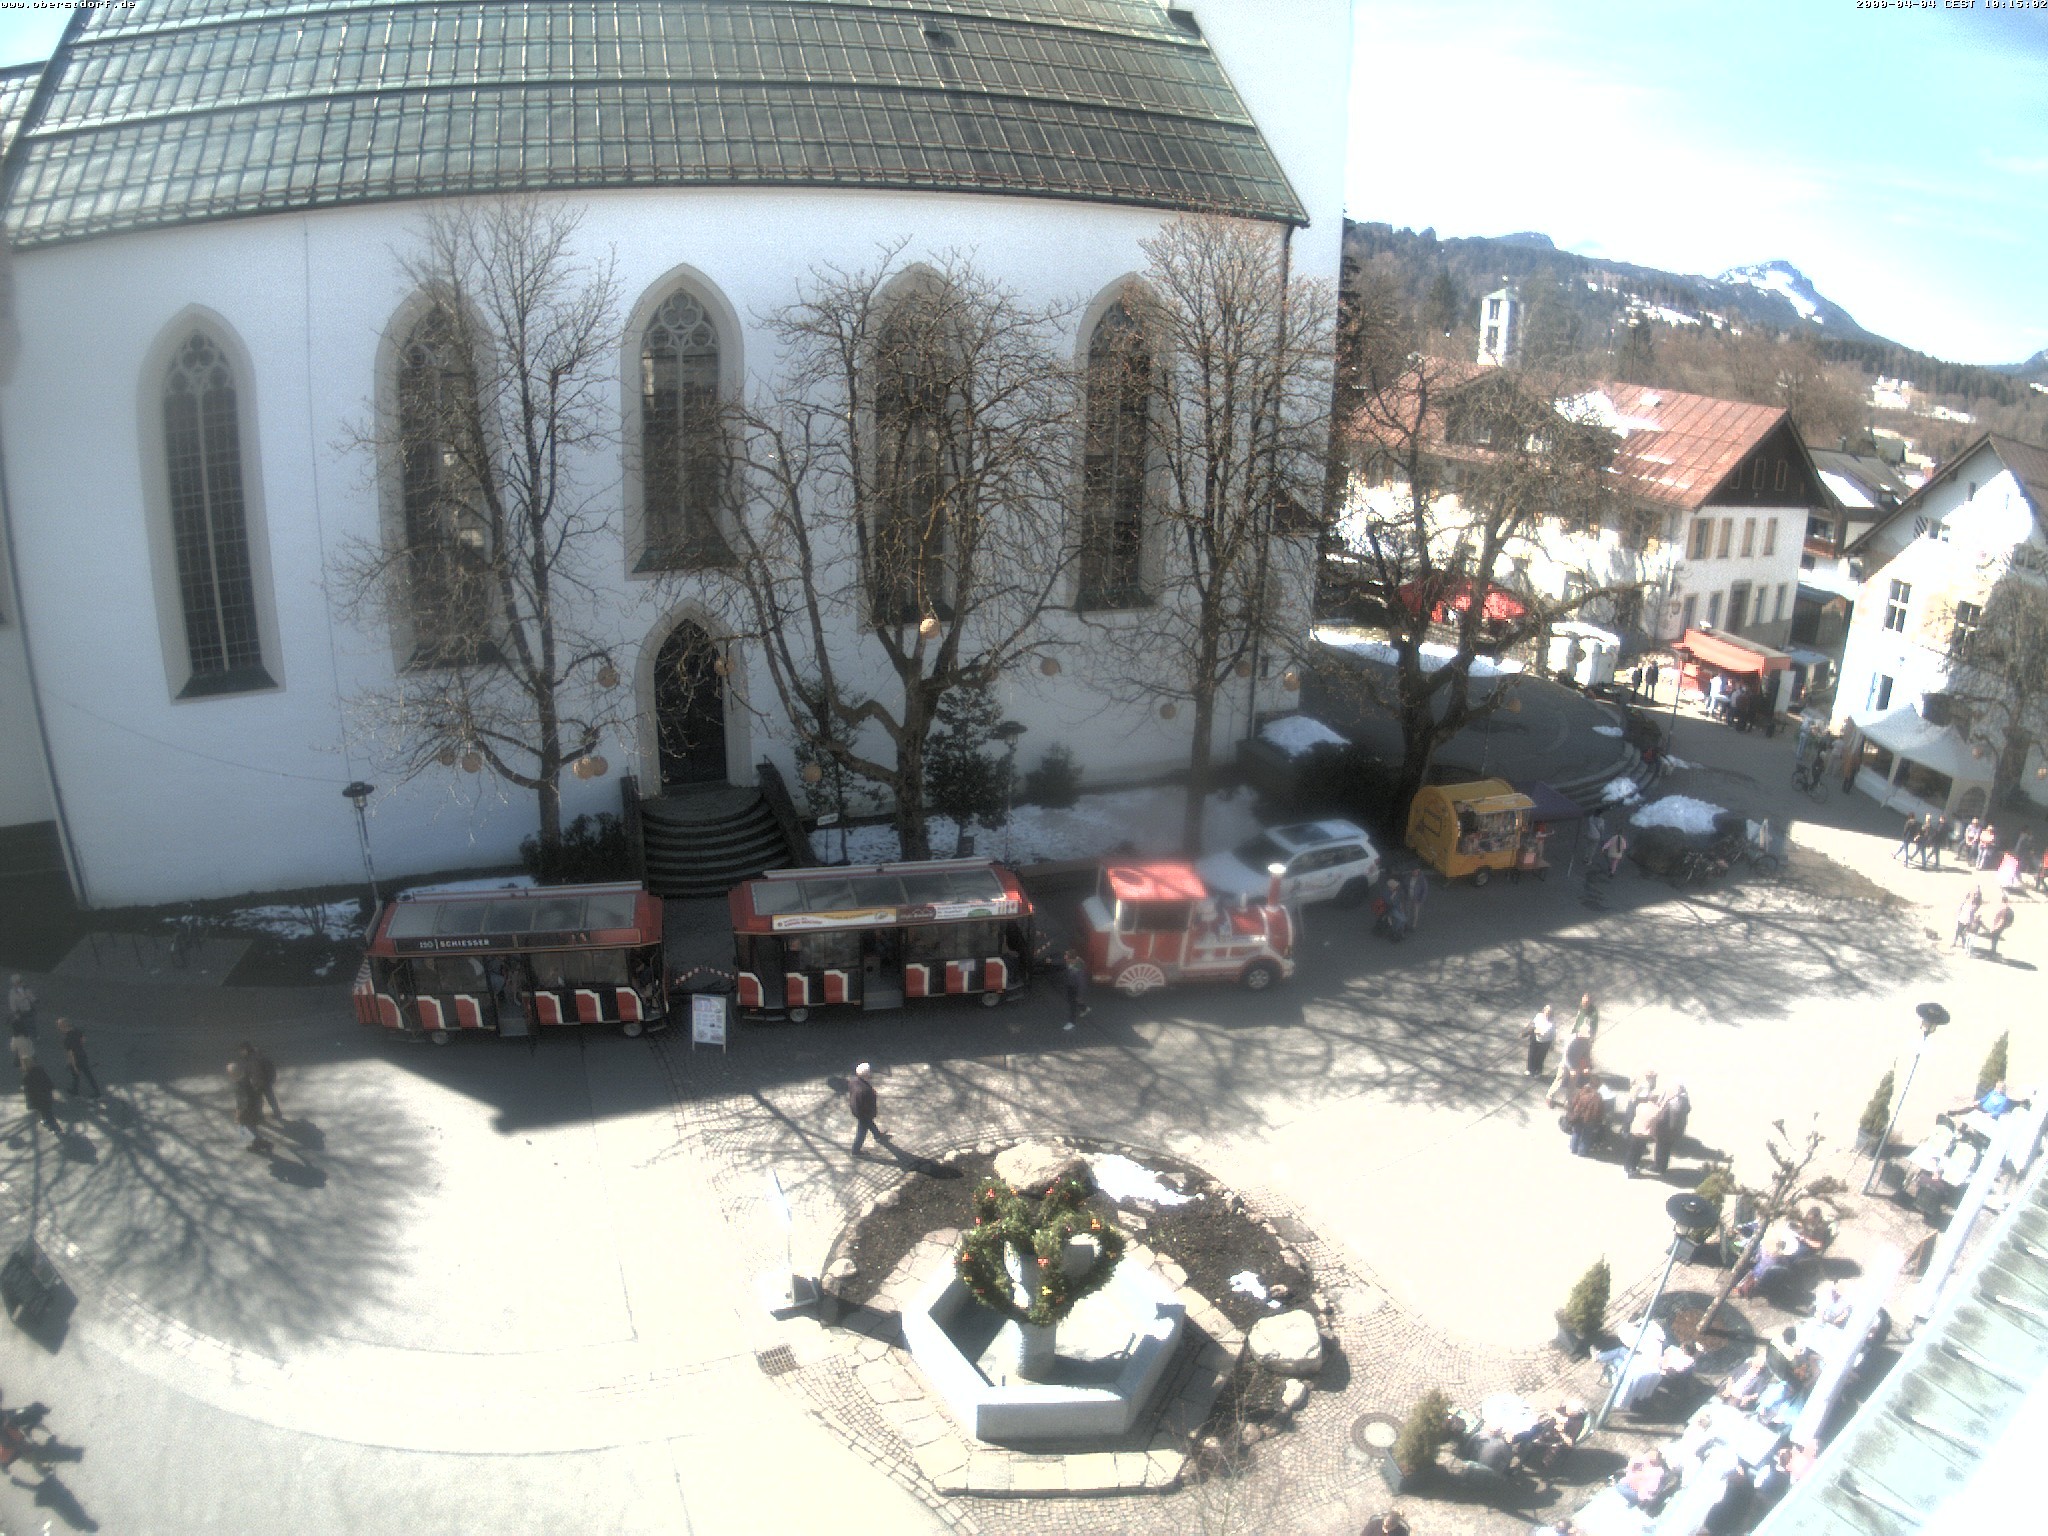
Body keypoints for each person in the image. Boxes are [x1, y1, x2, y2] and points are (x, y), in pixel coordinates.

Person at [226, 1059, 271, 1154]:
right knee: (251, 1128)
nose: (229, 1075)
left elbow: (242, 1102)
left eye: (229, 1073)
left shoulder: (240, 1086)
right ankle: (259, 1143)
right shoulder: (247, 1078)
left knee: (247, 1128)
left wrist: (238, 1115)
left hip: (248, 1112)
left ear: (233, 1074)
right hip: (255, 1108)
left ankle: (259, 1144)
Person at [1548, 1022, 1595, 1107]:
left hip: (1576, 1065)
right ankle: (1549, 1096)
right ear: (1580, 1032)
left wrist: (1587, 1066)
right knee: (1559, 1080)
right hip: (1566, 1064)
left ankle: (1568, 1102)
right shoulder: (1571, 1039)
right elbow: (1566, 1055)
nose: (1586, 1038)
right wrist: (1571, 1069)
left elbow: (1586, 1055)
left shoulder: (1587, 1042)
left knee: (1572, 1085)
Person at [1652, 1081, 1690, 1175]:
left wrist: (1655, 1126)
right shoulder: (1685, 1101)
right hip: (1675, 1131)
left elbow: (1662, 1117)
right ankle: (1663, 1167)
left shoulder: (1671, 1104)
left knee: (1660, 1148)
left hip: (1665, 1129)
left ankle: (1658, 1166)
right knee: (1667, 1149)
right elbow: (1688, 1110)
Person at [237, 1040, 281, 1120]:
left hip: (262, 1082)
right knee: (267, 1098)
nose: (241, 1052)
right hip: (260, 1082)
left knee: (262, 1099)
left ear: (246, 1049)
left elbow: (266, 1067)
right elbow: (248, 1070)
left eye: (241, 1050)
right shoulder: (249, 1057)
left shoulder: (255, 1057)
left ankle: (264, 1115)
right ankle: (274, 1113)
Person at [56, 1018, 99, 1100]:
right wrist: (78, 1045)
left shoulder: (67, 1039)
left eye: (59, 1026)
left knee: (76, 1075)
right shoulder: (77, 1030)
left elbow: (70, 1054)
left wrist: (73, 1065)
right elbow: (83, 1039)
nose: (58, 1028)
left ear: (63, 1027)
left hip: (76, 1059)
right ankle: (96, 1091)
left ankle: (75, 1090)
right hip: (82, 1055)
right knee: (88, 1074)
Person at [1623, 1091, 1661, 1178]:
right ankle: (1633, 1168)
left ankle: (1627, 1168)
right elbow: (1656, 1123)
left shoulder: (1640, 1106)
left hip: (1635, 1130)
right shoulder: (1657, 1110)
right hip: (1644, 1134)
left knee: (1631, 1151)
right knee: (1638, 1152)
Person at [847, 1062, 881, 1156]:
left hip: (857, 1110)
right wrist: (872, 1114)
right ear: (866, 1075)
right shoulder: (865, 1091)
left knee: (870, 1123)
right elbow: (867, 1104)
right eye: (869, 1072)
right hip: (863, 1114)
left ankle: (878, 1135)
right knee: (861, 1132)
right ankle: (856, 1151)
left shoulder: (853, 1081)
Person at [1566, 1078, 1605, 1157]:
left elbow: (1574, 1102)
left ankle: (1573, 1148)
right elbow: (1599, 1110)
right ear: (1598, 1086)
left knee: (1576, 1132)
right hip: (1590, 1119)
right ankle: (1582, 1151)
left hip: (1579, 1116)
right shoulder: (1598, 1097)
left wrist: (1571, 1112)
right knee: (1587, 1135)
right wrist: (1599, 1120)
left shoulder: (1583, 1092)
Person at [19, 1059, 57, 1133]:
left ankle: (53, 1126)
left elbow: (26, 1088)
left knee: (45, 1112)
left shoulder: (27, 1076)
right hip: (47, 1094)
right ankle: (49, 1122)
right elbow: (49, 1082)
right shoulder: (40, 1071)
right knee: (47, 1110)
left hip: (38, 1097)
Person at [1059, 950, 1089, 1031]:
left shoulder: (1078, 968)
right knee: (1073, 1001)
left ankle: (1071, 1022)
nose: (1064, 957)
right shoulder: (1070, 961)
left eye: (1066, 956)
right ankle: (1084, 1008)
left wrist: (1080, 995)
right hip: (1070, 985)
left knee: (1072, 1005)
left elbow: (1081, 984)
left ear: (1072, 958)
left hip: (1075, 988)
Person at [1523, 1005, 1556, 1078]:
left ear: (1550, 1014)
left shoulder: (1551, 1024)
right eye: (1545, 1011)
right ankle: (1529, 1069)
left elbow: (1545, 1034)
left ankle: (1538, 1071)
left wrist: (1552, 1044)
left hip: (1545, 1041)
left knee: (1540, 1057)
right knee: (1531, 1053)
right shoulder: (1539, 1016)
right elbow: (1533, 1024)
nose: (1546, 1014)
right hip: (1535, 1037)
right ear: (1543, 1011)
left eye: (1548, 1013)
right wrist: (1530, 1029)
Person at [1952, 886, 1984, 950]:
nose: (1976, 895)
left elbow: (1973, 910)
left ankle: (1963, 944)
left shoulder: (1976, 903)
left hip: (1968, 920)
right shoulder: (1967, 900)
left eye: (1977, 894)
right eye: (1975, 894)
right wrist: (1959, 912)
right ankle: (1955, 942)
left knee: (1964, 933)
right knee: (1958, 931)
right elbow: (1961, 907)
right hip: (1962, 918)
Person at [1405, 866, 1429, 935]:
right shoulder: (1408, 877)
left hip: (1417, 899)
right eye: (1413, 871)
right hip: (1409, 897)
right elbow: (1404, 886)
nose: (1414, 872)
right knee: (1407, 911)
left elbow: (1425, 891)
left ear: (1418, 871)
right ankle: (1406, 924)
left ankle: (1413, 926)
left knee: (1415, 913)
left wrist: (1421, 900)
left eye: (1415, 871)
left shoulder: (1422, 879)